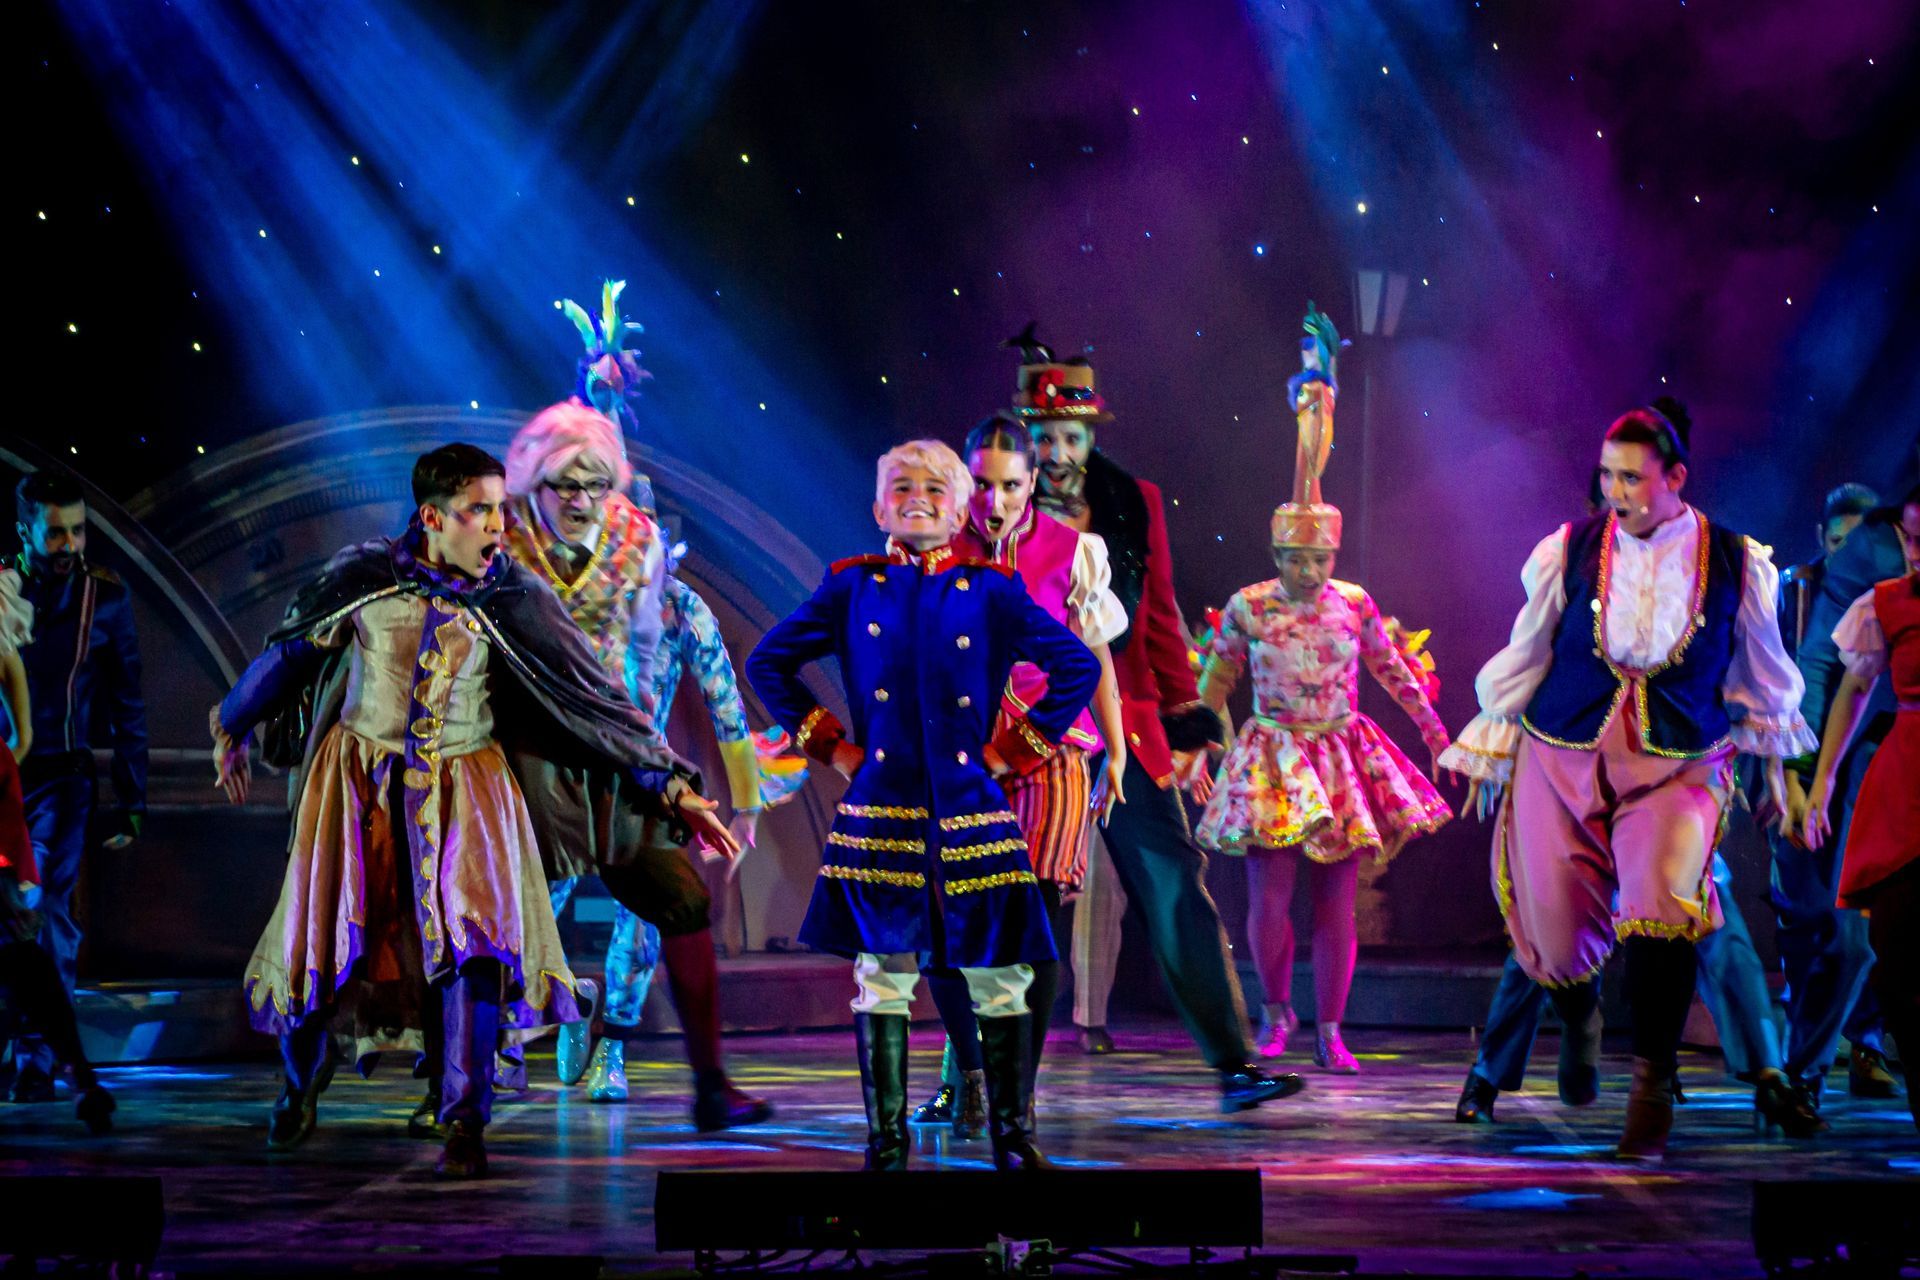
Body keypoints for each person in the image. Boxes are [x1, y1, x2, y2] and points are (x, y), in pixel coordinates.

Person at [212, 443, 739, 1178]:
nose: (497, 525)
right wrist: (233, 722)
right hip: (360, 788)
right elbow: (292, 654)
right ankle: (301, 1085)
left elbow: (596, 701)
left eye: (498, 509)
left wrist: (673, 785)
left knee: (474, 947)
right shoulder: (366, 576)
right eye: (479, 511)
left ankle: (465, 1118)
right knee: (329, 937)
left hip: (469, 791)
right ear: (433, 518)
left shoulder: (512, 594)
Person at [1439, 399, 1817, 1159]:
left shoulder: (1736, 560)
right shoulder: (1570, 548)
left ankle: (1651, 1087)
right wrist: (1491, 741)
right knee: (1553, 935)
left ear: (1674, 477)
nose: (1615, 492)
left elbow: (1763, 672)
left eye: (1632, 478)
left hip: (1678, 763)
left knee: (1665, 905)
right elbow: (1529, 649)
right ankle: (1579, 1010)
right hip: (1564, 751)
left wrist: (1779, 766)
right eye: (1608, 476)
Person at [746, 439, 1100, 1171]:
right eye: (902, 488)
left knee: (1001, 974)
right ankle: (886, 1142)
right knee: (884, 973)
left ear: (960, 509)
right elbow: (768, 663)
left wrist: (1013, 752)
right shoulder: (852, 586)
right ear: (879, 508)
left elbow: (1076, 666)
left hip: (973, 808)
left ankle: (1012, 1137)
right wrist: (834, 748)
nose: (918, 500)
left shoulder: (991, 589)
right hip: (884, 807)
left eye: (936, 490)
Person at [1012, 326, 1306, 1111]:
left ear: (1090, 434)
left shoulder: (1130, 500)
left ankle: (1235, 1066)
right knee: (1022, 905)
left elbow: (1160, 620)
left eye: (1070, 436)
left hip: (1124, 727)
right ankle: (982, 1085)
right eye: (1043, 437)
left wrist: (1186, 721)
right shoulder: (999, 506)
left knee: (1177, 888)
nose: (1056, 453)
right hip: (1033, 734)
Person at [1194, 305, 1454, 1073]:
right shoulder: (1250, 605)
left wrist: (1433, 729)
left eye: (1319, 561)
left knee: (1337, 902)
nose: (1308, 573)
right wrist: (1197, 744)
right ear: (1276, 553)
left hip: (1340, 755)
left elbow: (1391, 669)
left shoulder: (1355, 604)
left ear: (1334, 556)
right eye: (1295, 560)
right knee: (1268, 900)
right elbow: (1216, 679)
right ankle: (1276, 1013)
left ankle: (1332, 1029)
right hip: (1273, 757)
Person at [499, 401, 773, 1130]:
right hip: (536, 765)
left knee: (673, 906)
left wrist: (729, 799)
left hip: (625, 764)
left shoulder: (661, 581)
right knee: (519, 913)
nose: (583, 501)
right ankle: (500, 1047)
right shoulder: (503, 544)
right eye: (567, 485)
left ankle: (679, 1074)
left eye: (598, 485)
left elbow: (718, 698)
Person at [908, 414, 1129, 1136]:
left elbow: (1094, 654)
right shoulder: (935, 548)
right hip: (962, 755)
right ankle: (972, 1075)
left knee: (1030, 919)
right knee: (946, 929)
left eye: (1009, 485)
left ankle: (1016, 1097)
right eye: (981, 485)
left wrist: (1118, 748)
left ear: (1032, 483)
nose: (995, 501)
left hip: (1050, 749)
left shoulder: (1071, 551)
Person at [5, 470, 146, 1104]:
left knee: (45, 907)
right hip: (3, 776)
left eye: (78, 531)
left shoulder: (104, 599)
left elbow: (128, 701)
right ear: (25, 532)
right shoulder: (3, 593)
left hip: (63, 777)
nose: (70, 545)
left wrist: (132, 799)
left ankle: (40, 1058)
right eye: (56, 533)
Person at [1775, 482, 1908, 1104]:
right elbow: (1824, 668)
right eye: (1911, 539)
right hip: (1866, 756)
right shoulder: (1871, 554)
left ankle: (1866, 1045)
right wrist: (1802, 776)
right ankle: (1806, 1069)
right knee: (1840, 930)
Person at [1804, 487, 1920, 1132]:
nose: (1915, 553)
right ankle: (1827, 1064)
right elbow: (1841, 678)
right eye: (1910, 540)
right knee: (1873, 939)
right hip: (1896, 776)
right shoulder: (1883, 592)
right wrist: (1812, 779)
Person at [0, 563, 113, 1132]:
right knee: (20, 951)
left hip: (8, 804)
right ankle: (77, 1076)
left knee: (22, 944)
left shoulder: (5, 652)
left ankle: (75, 1075)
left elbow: (21, 739)